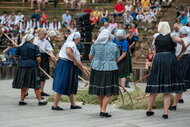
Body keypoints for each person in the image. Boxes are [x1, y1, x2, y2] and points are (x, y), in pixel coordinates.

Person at [145, 22, 186, 119]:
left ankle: (149, 110)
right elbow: (180, 40)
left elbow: (154, 51)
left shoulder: (156, 37)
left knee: (154, 87)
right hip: (169, 59)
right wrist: (183, 45)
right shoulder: (172, 36)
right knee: (167, 90)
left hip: (159, 59)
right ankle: (165, 113)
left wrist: (153, 62)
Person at [52, 32, 88, 110]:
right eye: (79, 38)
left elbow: (78, 60)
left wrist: (83, 69)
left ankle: (73, 104)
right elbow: (68, 52)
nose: (79, 40)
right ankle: (54, 105)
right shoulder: (71, 43)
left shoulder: (72, 45)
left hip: (69, 65)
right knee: (62, 83)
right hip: (65, 64)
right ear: (77, 38)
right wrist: (74, 60)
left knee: (70, 83)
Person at [89, 29, 120, 117]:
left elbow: (90, 57)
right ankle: (103, 110)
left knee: (99, 91)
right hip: (110, 69)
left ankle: (102, 109)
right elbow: (117, 59)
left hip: (96, 68)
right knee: (108, 91)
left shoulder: (94, 45)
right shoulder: (114, 46)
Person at [12, 34, 47, 106]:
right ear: (31, 39)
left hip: (22, 66)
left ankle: (21, 100)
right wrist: (38, 63)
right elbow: (38, 58)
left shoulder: (20, 46)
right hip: (32, 66)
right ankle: (40, 101)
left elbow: (15, 57)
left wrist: (22, 60)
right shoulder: (34, 47)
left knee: (24, 83)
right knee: (36, 84)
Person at [169, 26, 190, 111]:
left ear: (182, 33)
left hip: (185, 61)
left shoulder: (182, 41)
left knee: (180, 81)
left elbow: (178, 54)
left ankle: (174, 105)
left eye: (180, 33)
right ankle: (180, 98)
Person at [34, 28, 56, 97]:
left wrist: (53, 57)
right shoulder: (35, 40)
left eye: (46, 34)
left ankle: (41, 91)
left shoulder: (46, 41)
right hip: (36, 57)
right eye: (44, 34)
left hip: (44, 58)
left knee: (43, 75)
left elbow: (50, 50)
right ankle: (34, 91)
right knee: (36, 75)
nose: (45, 36)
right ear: (40, 34)